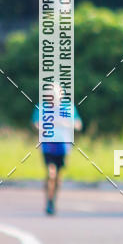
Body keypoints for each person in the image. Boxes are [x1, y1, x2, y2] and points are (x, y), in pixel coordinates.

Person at [31, 84, 82, 215]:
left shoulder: (68, 108)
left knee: (58, 176)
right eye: (50, 95)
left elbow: (78, 124)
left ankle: (53, 200)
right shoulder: (41, 108)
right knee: (51, 173)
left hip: (63, 146)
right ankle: (48, 201)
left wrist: (67, 124)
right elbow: (36, 124)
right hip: (48, 145)